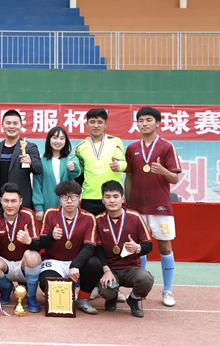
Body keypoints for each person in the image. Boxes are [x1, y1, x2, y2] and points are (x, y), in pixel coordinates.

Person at [125, 106, 181, 307]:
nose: (144, 124)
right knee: (139, 248)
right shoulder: (132, 148)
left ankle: (167, 290)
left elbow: (174, 178)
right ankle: (139, 288)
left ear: (157, 123)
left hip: (160, 206)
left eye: (148, 120)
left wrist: (163, 171)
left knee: (165, 246)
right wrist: (128, 204)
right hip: (137, 207)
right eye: (140, 120)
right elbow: (129, 177)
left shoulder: (167, 147)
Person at [35, 181, 103, 314]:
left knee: (95, 263)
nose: (70, 201)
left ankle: (83, 299)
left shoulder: (89, 218)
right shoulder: (50, 213)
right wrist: (51, 237)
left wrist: (75, 264)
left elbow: (89, 247)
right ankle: (62, 295)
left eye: (73, 196)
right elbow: (42, 243)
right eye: (65, 197)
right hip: (54, 261)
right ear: (59, 198)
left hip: (77, 261)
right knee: (45, 283)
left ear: (79, 197)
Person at [96, 181, 154, 318]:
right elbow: (97, 249)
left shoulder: (135, 217)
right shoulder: (98, 220)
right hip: (110, 268)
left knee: (146, 280)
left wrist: (137, 248)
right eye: (108, 197)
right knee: (106, 291)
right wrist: (106, 270)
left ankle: (133, 299)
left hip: (131, 268)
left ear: (122, 199)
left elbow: (148, 245)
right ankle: (112, 298)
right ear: (102, 200)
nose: (112, 200)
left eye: (116, 196)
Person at [0, 183, 41, 312]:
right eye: (6, 201)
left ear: (21, 201)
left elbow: (38, 247)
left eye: (14, 201)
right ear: (0, 200)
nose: (9, 205)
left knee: (33, 256)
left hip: (23, 264)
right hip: (5, 265)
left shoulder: (28, 215)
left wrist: (29, 241)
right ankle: (6, 287)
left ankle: (31, 296)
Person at [74, 108, 126, 216]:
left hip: (111, 196)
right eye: (92, 122)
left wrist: (118, 166)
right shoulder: (80, 147)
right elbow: (79, 173)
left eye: (100, 122)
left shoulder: (115, 141)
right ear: (87, 124)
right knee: (90, 227)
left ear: (105, 124)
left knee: (112, 226)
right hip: (89, 197)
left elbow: (123, 162)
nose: (96, 125)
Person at [0, 110, 42, 212]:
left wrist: (31, 162)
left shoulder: (29, 147)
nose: (11, 126)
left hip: (21, 202)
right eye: (8, 123)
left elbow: (39, 169)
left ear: (21, 126)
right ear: (2, 125)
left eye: (15, 123)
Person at [33, 126, 81, 221]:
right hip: (48, 206)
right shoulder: (41, 161)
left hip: (69, 206)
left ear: (66, 141)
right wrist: (39, 208)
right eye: (55, 137)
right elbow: (37, 185)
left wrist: (72, 167)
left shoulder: (71, 158)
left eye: (62, 138)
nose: (58, 141)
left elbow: (76, 172)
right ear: (49, 139)